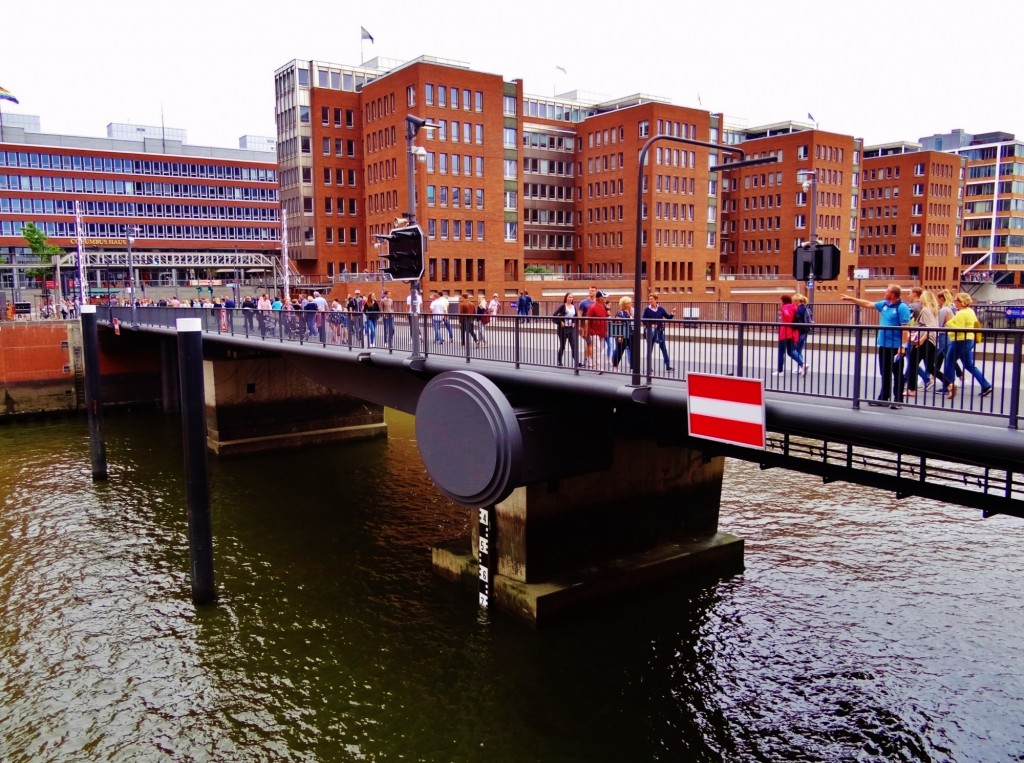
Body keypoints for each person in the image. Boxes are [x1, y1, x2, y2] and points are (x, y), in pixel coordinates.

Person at [840, 283, 911, 408]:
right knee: (885, 372)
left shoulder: (902, 307)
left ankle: (898, 400)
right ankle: (883, 398)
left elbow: (905, 329)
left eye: (887, 291)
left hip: (895, 346)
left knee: (897, 373)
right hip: (883, 344)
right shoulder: (884, 304)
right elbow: (868, 304)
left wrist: (903, 346)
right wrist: (851, 299)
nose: (885, 293)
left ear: (893, 295)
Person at [943, 292, 993, 400]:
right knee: (969, 364)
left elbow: (960, 329)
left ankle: (949, 386)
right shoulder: (970, 311)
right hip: (969, 339)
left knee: (949, 362)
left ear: (962, 302)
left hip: (960, 340)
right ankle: (986, 385)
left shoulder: (961, 313)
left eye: (956, 300)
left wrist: (948, 322)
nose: (954, 302)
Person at [906, 290, 950, 398]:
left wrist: (921, 339)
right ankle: (949, 384)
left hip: (925, 341)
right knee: (930, 367)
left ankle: (911, 390)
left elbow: (930, 327)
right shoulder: (933, 310)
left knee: (912, 363)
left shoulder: (925, 310)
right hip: (932, 341)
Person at [642, 293, 676, 374]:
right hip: (651, 331)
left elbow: (668, 317)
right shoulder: (647, 309)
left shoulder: (661, 309)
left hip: (660, 331)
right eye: (649, 299)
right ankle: (649, 367)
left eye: (651, 299)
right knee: (650, 350)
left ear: (656, 300)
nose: (650, 300)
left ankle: (668, 366)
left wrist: (672, 313)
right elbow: (643, 320)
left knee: (663, 348)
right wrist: (650, 325)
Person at [774, 294, 807, 376]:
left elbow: (787, 316)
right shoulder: (794, 307)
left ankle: (780, 371)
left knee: (781, 352)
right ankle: (802, 364)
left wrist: (783, 315)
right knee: (790, 351)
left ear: (783, 301)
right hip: (792, 332)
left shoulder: (785, 307)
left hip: (784, 332)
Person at [551, 292, 580, 367]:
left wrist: (573, 322)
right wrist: (560, 322)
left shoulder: (573, 306)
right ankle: (559, 361)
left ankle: (576, 361)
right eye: (569, 297)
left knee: (573, 345)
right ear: (566, 298)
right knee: (563, 346)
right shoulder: (563, 306)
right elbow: (554, 315)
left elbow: (575, 316)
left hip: (571, 328)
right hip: (563, 329)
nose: (571, 299)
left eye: (572, 297)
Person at [586, 290, 610, 369]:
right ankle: (597, 367)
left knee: (599, 349)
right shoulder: (592, 307)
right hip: (594, 332)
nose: (605, 298)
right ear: (600, 298)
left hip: (602, 332)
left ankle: (595, 365)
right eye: (604, 297)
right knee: (597, 349)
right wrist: (587, 331)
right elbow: (587, 320)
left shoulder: (603, 306)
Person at [610, 296, 634, 371]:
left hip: (631, 334)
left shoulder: (631, 312)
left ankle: (633, 367)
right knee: (620, 350)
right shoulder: (620, 313)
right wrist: (619, 336)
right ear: (625, 304)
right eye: (629, 303)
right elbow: (618, 324)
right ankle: (615, 366)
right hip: (622, 334)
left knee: (633, 350)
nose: (631, 304)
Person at [792, 293, 812, 370]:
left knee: (794, 350)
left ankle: (802, 365)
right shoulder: (806, 308)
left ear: (797, 301)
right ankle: (800, 367)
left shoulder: (798, 310)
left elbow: (794, 321)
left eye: (793, 301)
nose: (792, 302)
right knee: (799, 350)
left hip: (799, 331)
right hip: (805, 331)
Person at [579, 286, 597, 368]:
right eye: (590, 290)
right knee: (590, 343)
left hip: (594, 326)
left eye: (592, 291)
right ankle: (591, 361)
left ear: (596, 292)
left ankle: (585, 360)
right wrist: (580, 326)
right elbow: (579, 314)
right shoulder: (583, 302)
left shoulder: (597, 302)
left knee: (588, 343)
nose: (591, 292)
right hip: (585, 325)